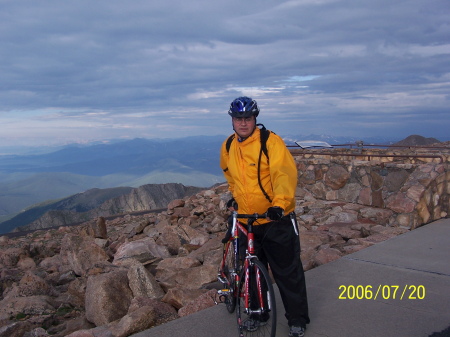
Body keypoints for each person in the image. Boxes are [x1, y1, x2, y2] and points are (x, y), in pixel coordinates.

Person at [220, 96, 310, 337]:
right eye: (238, 119)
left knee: (287, 272)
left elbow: (284, 175)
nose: (242, 123)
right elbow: (229, 173)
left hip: (275, 220)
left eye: (247, 118)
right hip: (246, 222)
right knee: (250, 271)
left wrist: (279, 205)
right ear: (232, 120)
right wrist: (235, 196)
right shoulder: (229, 145)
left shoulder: (270, 142)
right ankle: (258, 314)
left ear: (254, 119)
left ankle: (297, 319)